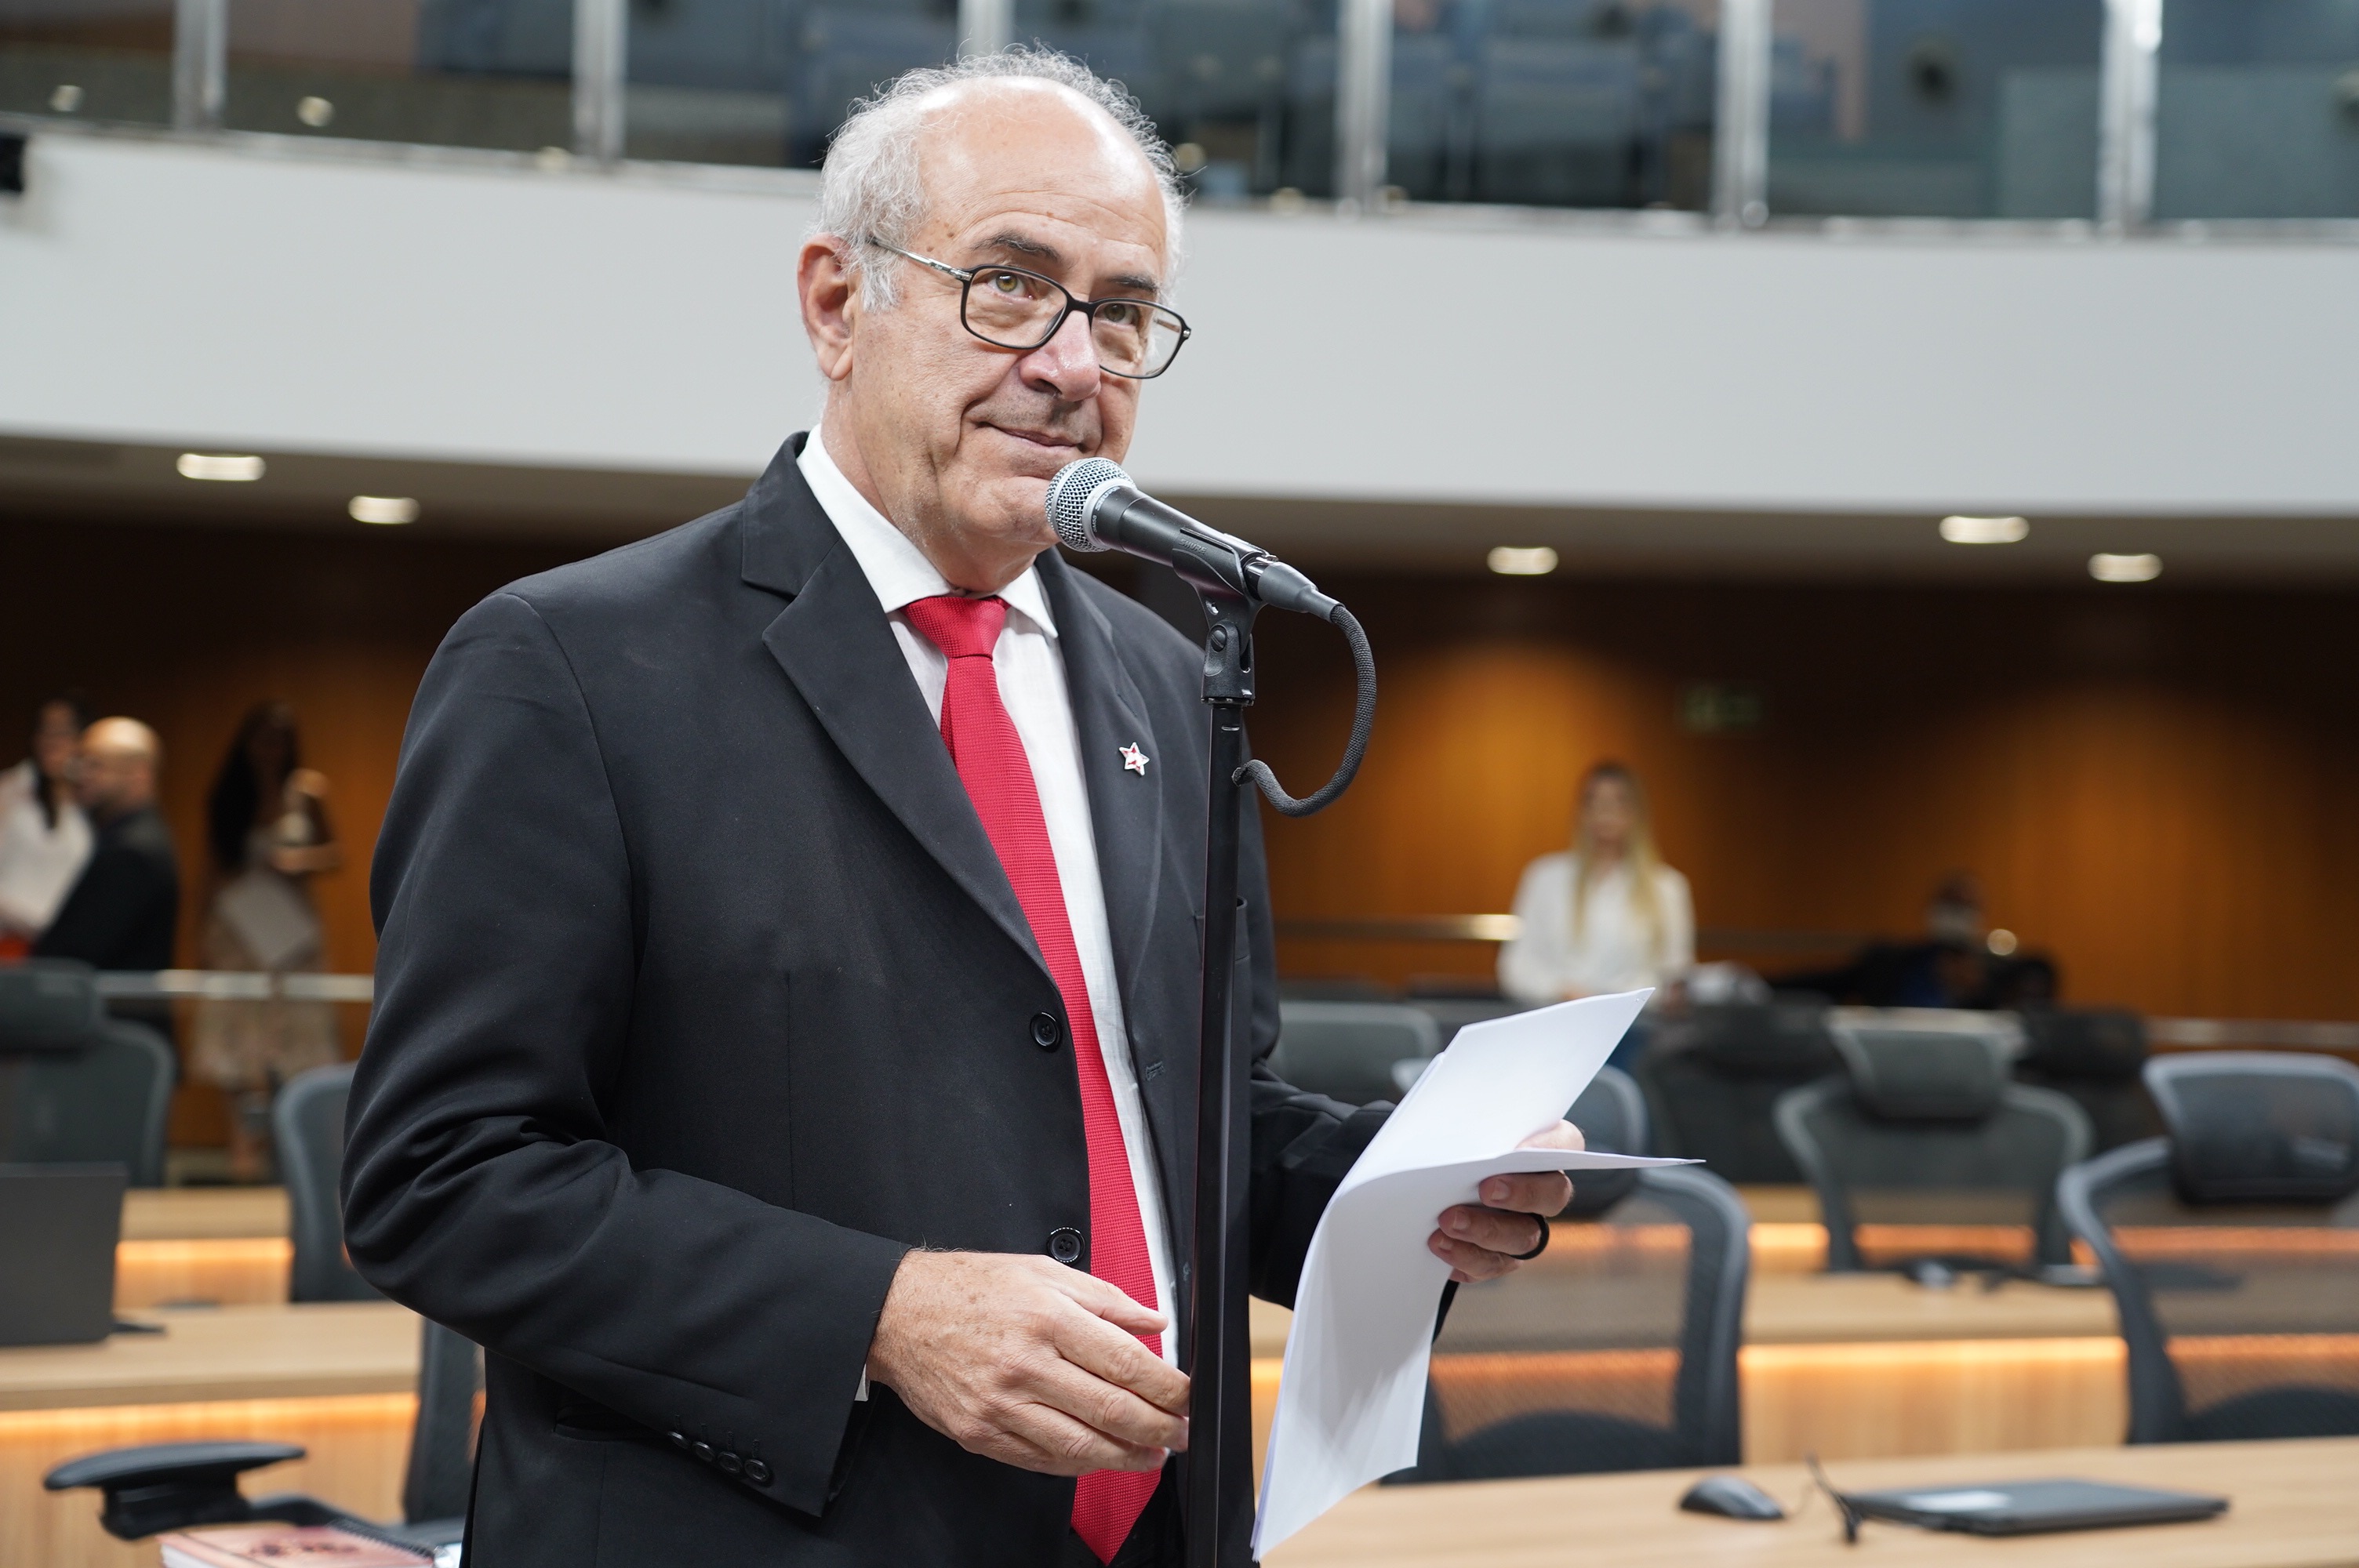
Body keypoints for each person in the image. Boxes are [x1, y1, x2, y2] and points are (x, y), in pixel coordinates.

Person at [342, 49, 1580, 1568]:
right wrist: (881, 1313)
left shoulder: (1171, 679)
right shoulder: (573, 665)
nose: (1071, 363)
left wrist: (1394, 1191)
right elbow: (442, 1178)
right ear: (834, 303)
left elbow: (1183, 1121)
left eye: (1120, 311)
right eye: (1009, 285)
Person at [190, 701, 343, 1181]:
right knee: (238, 1042)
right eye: (262, 738)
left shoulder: (307, 790)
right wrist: (200, 940)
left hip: (290, 935)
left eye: (279, 740)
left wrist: (297, 862)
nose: (270, 749)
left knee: (297, 1042)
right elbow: (211, 870)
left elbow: (336, 853)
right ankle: (244, 1154)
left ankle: (298, 1151)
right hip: (238, 930)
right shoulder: (228, 795)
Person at [1499, 760, 1696, 1006]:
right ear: (1581, 811)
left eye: (1618, 802)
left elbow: (1674, 975)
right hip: (1555, 1014)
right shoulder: (1545, 877)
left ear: (1637, 812)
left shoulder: (1667, 887)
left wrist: (1614, 1002)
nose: (1605, 813)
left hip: (1634, 1022)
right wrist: (1563, 991)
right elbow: (1516, 966)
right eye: (1594, 802)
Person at [34, 717, 181, 978]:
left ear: (139, 773)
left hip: (109, 1002)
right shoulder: (125, 837)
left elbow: (74, 953)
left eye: (95, 765)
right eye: (79, 764)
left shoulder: (132, 851)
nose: (81, 776)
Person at [0, 696, 94, 958]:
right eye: (46, 730)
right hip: (10, 940)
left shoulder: (87, 804)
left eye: (64, 732)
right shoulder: (11, 790)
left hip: (63, 948)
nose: (53, 741)